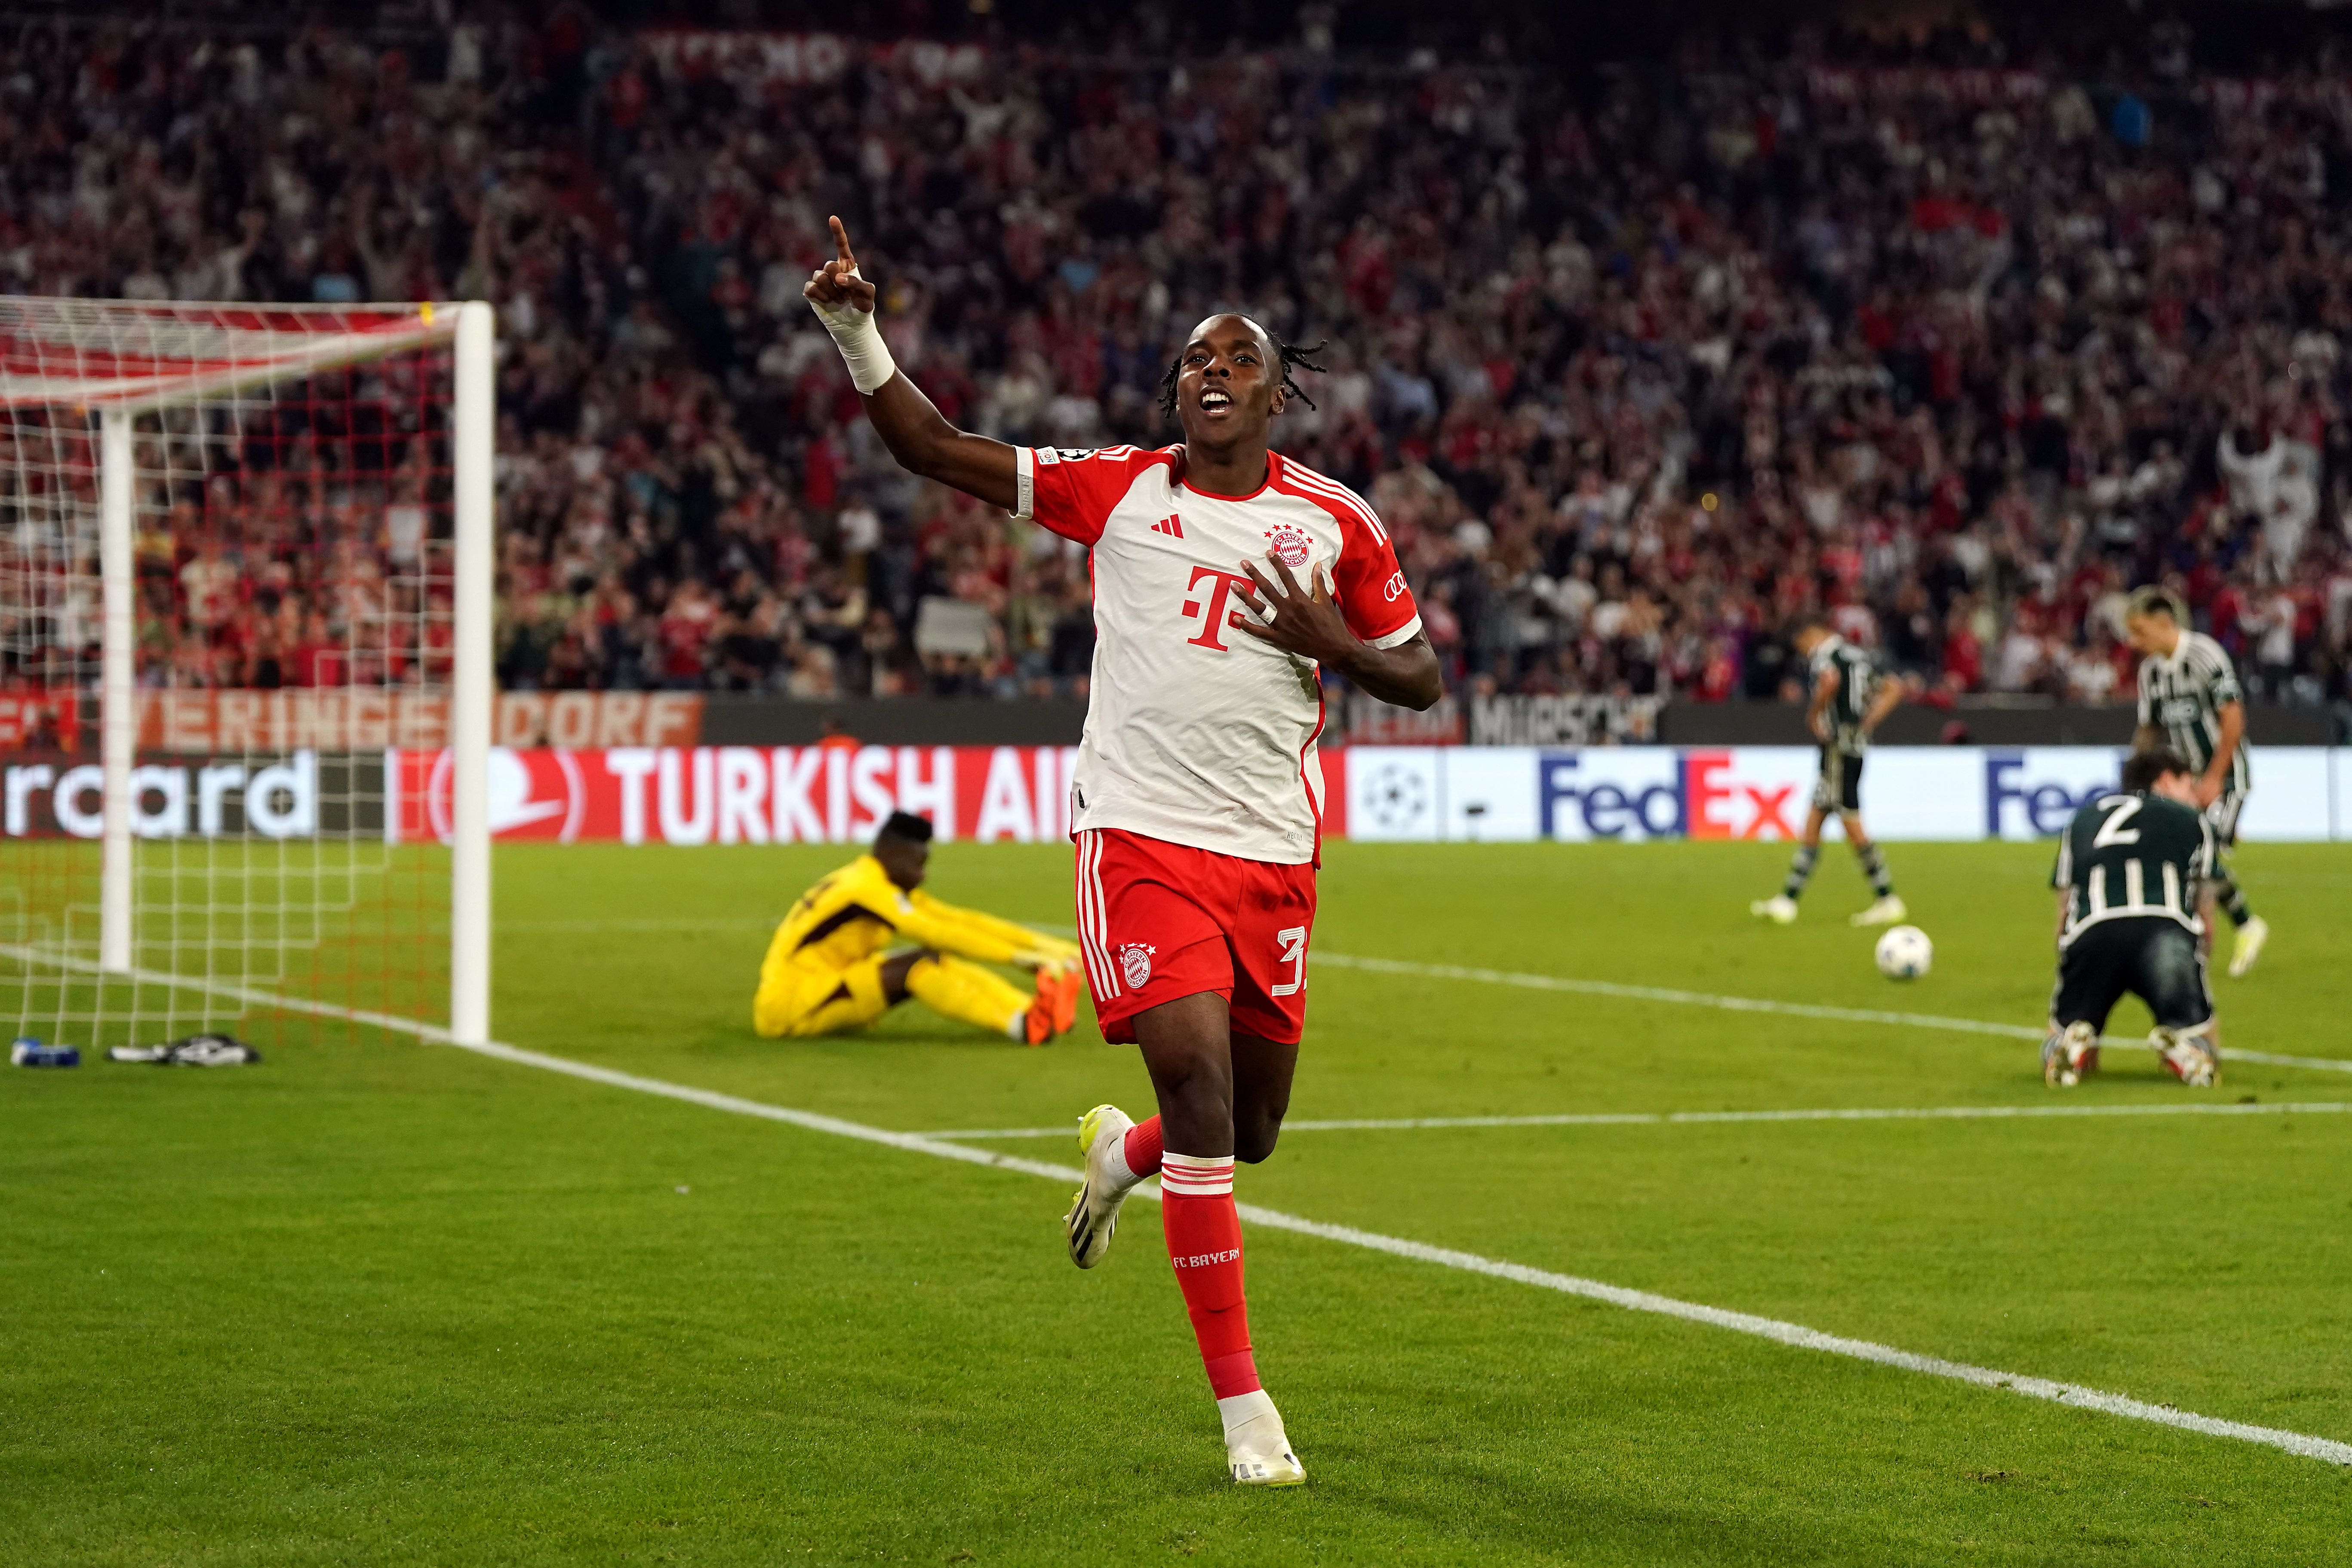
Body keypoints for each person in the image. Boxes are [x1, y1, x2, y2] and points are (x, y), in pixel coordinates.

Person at [805, 217, 1442, 1486]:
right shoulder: (1121, 489)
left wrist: (1335, 642)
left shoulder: (1336, 524)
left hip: (1272, 854)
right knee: (1199, 1087)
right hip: (1139, 840)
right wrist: (852, 328)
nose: (1207, 371)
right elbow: (932, 448)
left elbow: (1418, 674)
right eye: (1191, 359)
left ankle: (1120, 1156)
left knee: (1245, 1129)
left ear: (1275, 389)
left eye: (1236, 359)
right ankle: (1245, 1412)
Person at [752, 811, 1081, 1045]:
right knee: (919, 966)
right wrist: (1022, 959)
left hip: (825, 982)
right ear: (892, 854)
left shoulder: (874, 881)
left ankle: (1030, 1012)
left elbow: (959, 921)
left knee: (932, 960)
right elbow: (935, 932)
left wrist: (1056, 950)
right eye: (918, 863)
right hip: (789, 1006)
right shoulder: (865, 889)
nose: (922, 875)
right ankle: (1023, 1024)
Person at [2042, 748, 2222, 1088]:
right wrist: (2204, 943)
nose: (2193, 793)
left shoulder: (2082, 819)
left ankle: (2069, 1047)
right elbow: (2205, 899)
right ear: (2166, 780)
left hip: (2093, 932)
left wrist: (2066, 948)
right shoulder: (2191, 819)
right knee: (2201, 1037)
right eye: (2189, 784)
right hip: (2164, 930)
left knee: (2067, 1027)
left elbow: (2064, 902)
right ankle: (2185, 1048)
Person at [2123, 586, 2268, 977]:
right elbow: (2149, 729)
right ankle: (2246, 926)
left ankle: (2197, 955)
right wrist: (2132, 779)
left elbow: (2233, 718)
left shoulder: (2204, 655)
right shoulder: (2151, 672)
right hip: (2185, 786)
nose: (2134, 642)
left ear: (2164, 623)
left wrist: (2214, 779)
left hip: (2226, 779)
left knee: (2194, 857)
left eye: (2139, 631)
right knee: (2193, 856)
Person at [1751, 615, 1907, 926]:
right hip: (1852, 745)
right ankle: (1787, 901)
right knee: (1813, 822)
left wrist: (1813, 715)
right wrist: (1867, 722)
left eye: (1803, 645)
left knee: (1850, 820)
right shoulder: (1857, 655)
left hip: (1837, 748)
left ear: (1813, 635)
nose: (1805, 652)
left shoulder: (1827, 656)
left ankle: (1887, 898)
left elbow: (1830, 681)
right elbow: (1894, 687)